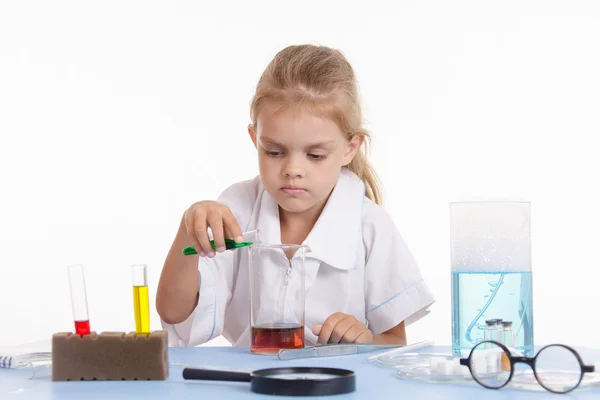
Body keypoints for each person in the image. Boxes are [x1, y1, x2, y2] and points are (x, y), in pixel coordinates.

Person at [156, 44, 435, 347]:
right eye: (274, 151)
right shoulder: (236, 209)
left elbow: (394, 342)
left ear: (350, 148)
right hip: (251, 385)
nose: (292, 169)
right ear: (255, 139)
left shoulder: (369, 226)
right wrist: (189, 233)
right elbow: (175, 314)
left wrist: (364, 340)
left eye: (315, 155)